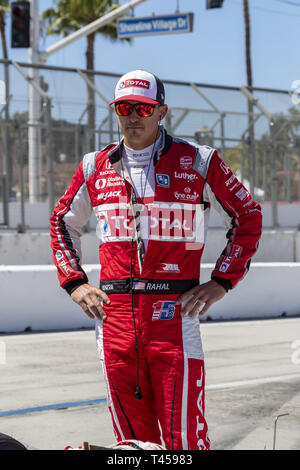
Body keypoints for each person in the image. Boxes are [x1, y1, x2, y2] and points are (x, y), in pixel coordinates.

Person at [50, 69, 262, 450]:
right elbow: (62, 222)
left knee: (186, 441)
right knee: (131, 445)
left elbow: (248, 216)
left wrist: (223, 280)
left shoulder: (199, 160)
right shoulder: (92, 166)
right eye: (124, 107)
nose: (133, 116)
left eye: (143, 108)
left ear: (161, 112)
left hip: (176, 319)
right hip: (113, 322)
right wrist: (74, 282)